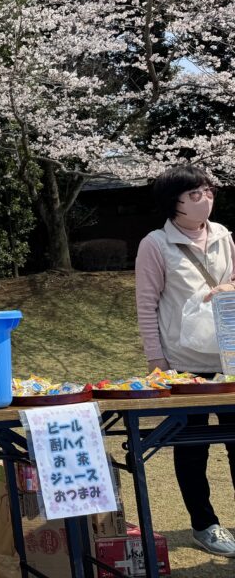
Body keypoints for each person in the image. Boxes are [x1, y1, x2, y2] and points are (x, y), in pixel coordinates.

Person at [135, 164, 235, 557]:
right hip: (182, 362)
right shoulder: (155, 244)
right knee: (192, 446)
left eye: (208, 191)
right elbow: (146, 304)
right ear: (172, 202)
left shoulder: (224, 235)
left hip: (229, 356)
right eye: (194, 194)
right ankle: (204, 524)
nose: (205, 199)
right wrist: (156, 360)